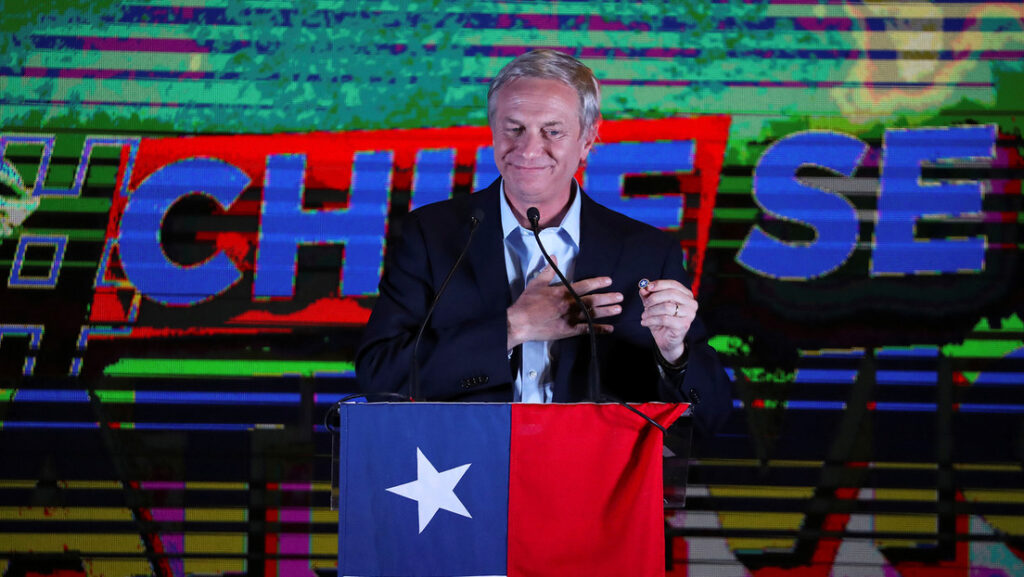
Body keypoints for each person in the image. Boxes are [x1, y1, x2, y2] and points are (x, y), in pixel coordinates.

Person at [356, 49, 731, 435]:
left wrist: (674, 355)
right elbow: (380, 377)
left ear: (587, 138)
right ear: (492, 130)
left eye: (552, 131)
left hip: (593, 480)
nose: (529, 150)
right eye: (513, 129)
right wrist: (514, 326)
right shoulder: (432, 234)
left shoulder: (647, 252)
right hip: (462, 477)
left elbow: (712, 417)